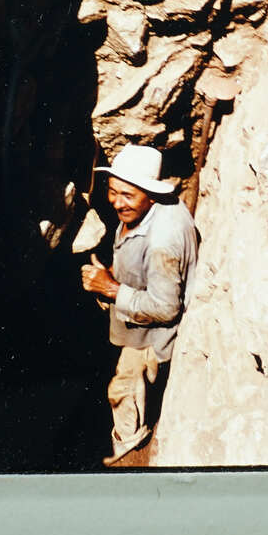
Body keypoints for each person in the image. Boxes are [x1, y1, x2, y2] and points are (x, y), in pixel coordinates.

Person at [81, 144, 197, 465]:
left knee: (124, 396)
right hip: (135, 326)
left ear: (150, 193)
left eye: (128, 196)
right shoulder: (152, 210)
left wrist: (111, 288)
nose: (117, 203)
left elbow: (165, 308)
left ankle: (127, 459)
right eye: (113, 192)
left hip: (150, 344)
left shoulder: (164, 241)